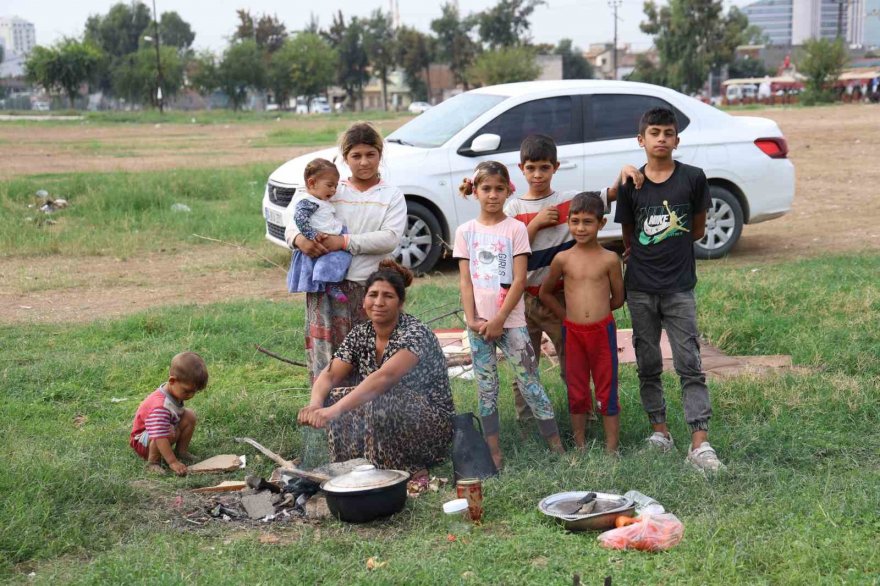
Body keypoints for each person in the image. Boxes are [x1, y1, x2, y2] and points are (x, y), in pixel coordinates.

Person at [614, 107, 725, 472]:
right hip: (641, 289)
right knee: (647, 363)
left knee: (689, 363)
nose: (661, 138)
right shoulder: (632, 184)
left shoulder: (693, 178)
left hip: (679, 289)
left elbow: (695, 229)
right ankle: (660, 433)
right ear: (641, 140)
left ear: (677, 140)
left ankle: (700, 443)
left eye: (668, 132)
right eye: (654, 132)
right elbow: (629, 238)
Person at [503, 134, 642, 425]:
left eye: (544, 167)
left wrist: (626, 170)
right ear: (521, 169)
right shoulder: (513, 209)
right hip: (522, 298)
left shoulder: (568, 201)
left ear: (555, 167)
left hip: (559, 297)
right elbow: (511, 249)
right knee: (524, 367)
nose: (538, 174)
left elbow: (609, 195)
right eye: (531, 168)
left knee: (572, 363)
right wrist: (537, 223)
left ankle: (585, 418)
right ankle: (528, 425)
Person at [453, 160, 565, 470]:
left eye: (499, 189)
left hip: (511, 322)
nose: (492, 195)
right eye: (486, 188)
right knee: (486, 387)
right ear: (475, 191)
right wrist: (472, 319)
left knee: (530, 380)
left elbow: (519, 279)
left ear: (508, 191)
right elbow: (465, 280)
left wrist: (500, 318)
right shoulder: (465, 232)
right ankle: (494, 452)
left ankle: (556, 446)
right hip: (477, 326)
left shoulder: (515, 229)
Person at [298, 261, 454, 476]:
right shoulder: (361, 333)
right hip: (386, 416)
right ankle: (349, 469)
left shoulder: (415, 333)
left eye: (388, 296)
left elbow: (384, 378)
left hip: (431, 426)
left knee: (381, 396)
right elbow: (330, 374)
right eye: (373, 295)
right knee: (336, 395)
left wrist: (333, 412)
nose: (379, 302)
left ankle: (401, 470)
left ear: (400, 303)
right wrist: (316, 406)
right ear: (364, 301)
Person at [285, 122, 407, 382]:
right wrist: (298, 239)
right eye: (356, 156)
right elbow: (291, 216)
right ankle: (327, 416)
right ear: (345, 158)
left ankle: (367, 418)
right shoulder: (330, 188)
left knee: (368, 357)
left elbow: (390, 238)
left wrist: (344, 242)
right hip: (326, 288)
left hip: (368, 288)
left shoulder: (391, 195)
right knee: (327, 356)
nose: (363, 162)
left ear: (380, 155)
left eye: (370, 154)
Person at [539, 192, 624, 453]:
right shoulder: (563, 259)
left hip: (602, 332)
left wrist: (597, 313)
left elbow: (619, 298)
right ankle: (580, 445)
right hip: (573, 333)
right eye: (575, 221)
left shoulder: (610, 259)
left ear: (601, 223)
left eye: (588, 222)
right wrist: (568, 317)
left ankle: (612, 449)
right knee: (576, 388)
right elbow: (545, 292)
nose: (580, 228)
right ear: (568, 222)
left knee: (606, 386)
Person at [129, 352, 208, 476]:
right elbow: (159, 435)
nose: (191, 396)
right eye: (187, 391)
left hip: (161, 431)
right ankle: (153, 462)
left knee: (190, 415)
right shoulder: (161, 406)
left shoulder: (174, 392)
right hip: (144, 443)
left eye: (194, 392)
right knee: (167, 430)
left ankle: (181, 451)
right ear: (172, 381)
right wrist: (172, 462)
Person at [286, 158, 351, 303]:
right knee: (332, 261)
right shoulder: (308, 201)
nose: (334, 190)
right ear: (311, 183)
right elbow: (300, 218)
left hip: (329, 238)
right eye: (329, 185)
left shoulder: (319, 200)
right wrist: (311, 235)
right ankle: (329, 284)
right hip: (319, 241)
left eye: (335, 186)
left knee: (338, 259)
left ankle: (328, 283)